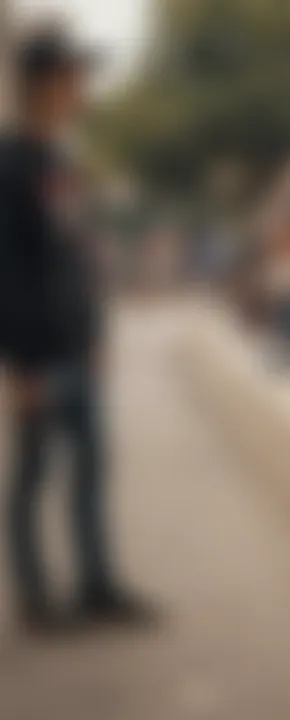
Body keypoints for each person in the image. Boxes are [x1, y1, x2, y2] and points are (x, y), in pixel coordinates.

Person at [0, 27, 154, 631]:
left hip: (78, 349)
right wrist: (18, 364)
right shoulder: (9, 166)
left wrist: (96, 333)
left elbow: (75, 256)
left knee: (92, 469)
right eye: (74, 77)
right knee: (35, 474)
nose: (82, 89)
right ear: (45, 84)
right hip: (39, 358)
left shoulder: (61, 164)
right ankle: (38, 601)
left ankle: (97, 585)